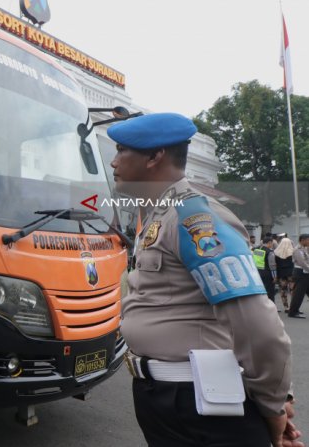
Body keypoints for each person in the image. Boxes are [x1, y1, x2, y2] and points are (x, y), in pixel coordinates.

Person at [108, 112, 301, 447]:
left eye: (122, 150)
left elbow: (258, 325)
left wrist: (273, 405)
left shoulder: (195, 218)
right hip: (169, 399)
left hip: (198, 407)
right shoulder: (160, 215)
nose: (113, 162)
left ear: (155, 156)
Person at [288, 235, 309, 318]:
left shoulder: (305, 248)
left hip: (305, 273)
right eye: (308, 240)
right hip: (300, 273)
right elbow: (302, 263)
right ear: (303, 240)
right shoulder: (298, 250)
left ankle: (295, 310)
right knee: (298, 294)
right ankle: (292, 312)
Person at [253, 235, 278, 303]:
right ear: (269, 242)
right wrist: (274, 276)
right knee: (270, 292)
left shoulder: (256, 249)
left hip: (257, 272)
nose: (272, 245)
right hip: (267, 273)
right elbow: (272, 265)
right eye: (272, 243)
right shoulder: (269, 252)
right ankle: (271, 306)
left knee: (260, 291)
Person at [276, 237, 296, 313]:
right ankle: (293, 307)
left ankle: (286, 307)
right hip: (291, 274)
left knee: (283, 290)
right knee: (293, 290)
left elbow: (276, 264)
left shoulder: (276, 252)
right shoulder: (293, 252)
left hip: (281, 274)